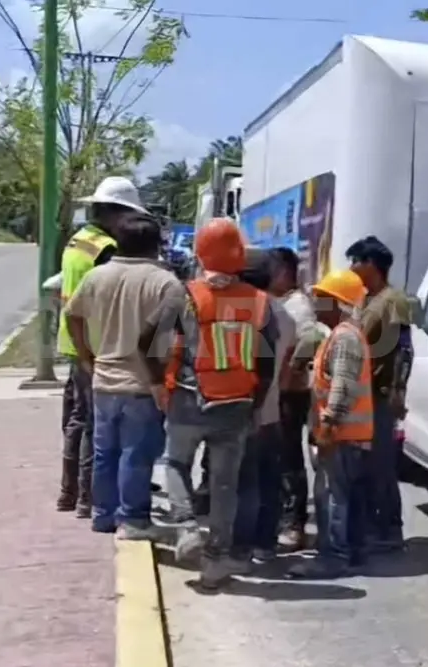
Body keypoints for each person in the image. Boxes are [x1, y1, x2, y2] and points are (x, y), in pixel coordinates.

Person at [156, 220, 279, 588]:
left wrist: (158, 386)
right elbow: (267, 363)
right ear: (239, 255)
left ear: (200, 254)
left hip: (188, 398)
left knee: (177, 463)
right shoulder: (260, 303)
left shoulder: (184, 295)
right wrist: (256, 404)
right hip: (237, 404)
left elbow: (157, 345)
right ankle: (215, 562)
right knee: (226, 485)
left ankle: (187, 525)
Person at [63, 213, 179, 539]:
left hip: (103, 380)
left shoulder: (96, 277)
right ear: (156, 246)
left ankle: (103, 516)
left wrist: (86, 356)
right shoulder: (165, 283)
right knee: (137, 455)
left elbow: (72, 316)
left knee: (105, 453)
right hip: (143, 385)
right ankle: (134, 520)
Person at [57, 176, 148, 517]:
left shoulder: (77, 241)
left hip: (71, 339)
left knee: (77, 419)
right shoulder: (106, 249)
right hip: (93, 346)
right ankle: (87, 498)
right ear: (116, 213)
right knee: (97, 426)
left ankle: (68, 494)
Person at [287, 269, 373, 580]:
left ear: (337, 302)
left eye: (321, 298)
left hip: (342, 433)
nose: (315, 304)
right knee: (346, 495)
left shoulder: (345, 337)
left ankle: (333, 557)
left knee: (331, 496)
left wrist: (329, 423)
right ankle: (353, 552)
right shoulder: (342, 335)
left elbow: (342, 386)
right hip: (349, 433)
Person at [345, 236, 415, 553]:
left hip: (381, 393)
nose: (351, 267)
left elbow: (404, 349)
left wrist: (398, 390)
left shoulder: (392, 300)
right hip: (362, 393)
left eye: (355, 261)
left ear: (370, 264)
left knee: (382, 464)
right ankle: (372, 523)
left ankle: (390, 528)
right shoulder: (365, 299)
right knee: (364, 463)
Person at [231, 248, 297, 564]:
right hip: (272, 410)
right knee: (269, 481)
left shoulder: (238, 311)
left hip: (241, 409)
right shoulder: (286, 316)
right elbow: (284, 373)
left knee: (244, 482)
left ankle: (240, 545)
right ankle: (265, 544)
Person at [263, 247, 320, 552]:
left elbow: (311, 338)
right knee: (276, 457)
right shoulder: (281, 302)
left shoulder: (297, 305)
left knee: (288, 458)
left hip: (290, 394)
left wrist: (292, 369)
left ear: (284, 272)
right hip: (278, 392)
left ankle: (294, 522)